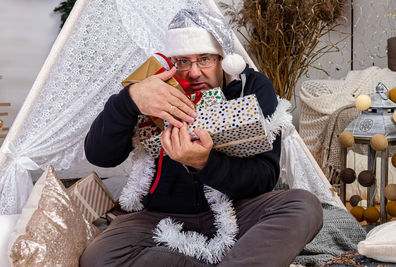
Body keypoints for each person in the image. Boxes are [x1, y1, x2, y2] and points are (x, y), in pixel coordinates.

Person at [80, 8, 323, 267]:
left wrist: (205, 164)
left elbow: (263, 178)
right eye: (183, 61)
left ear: (223, 59)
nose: (194, 73)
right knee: (99, 257)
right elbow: (100, 156)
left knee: (304, 206)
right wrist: (129, 101)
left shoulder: (251, 89)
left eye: (205, 59)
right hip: (161, 218)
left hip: (239, 211)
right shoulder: (154, 91)